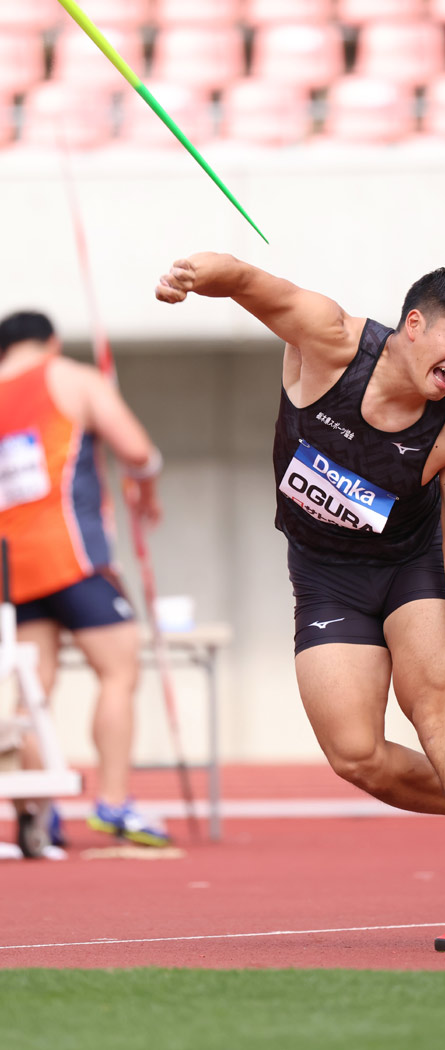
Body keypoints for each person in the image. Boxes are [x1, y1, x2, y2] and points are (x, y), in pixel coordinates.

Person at [155, 253, 445, 951]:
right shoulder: (330, 340)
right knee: (356, 756)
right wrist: (195, 274)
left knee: (434, 713)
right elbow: (249, 283)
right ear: (414, 324)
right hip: (325, 573)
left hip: (411, 568)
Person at [0, 310, 170, 848]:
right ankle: (113, 804)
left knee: (33, 690)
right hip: (72, 557)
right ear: (49, 340)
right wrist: (145, 485)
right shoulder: (70, 377)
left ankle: (36, 811)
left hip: (11, 569)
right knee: (119, 669)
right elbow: (138, 452)